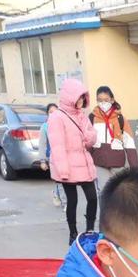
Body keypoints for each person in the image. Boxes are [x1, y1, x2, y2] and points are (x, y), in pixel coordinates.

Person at [47, 78, 98, 245]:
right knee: (72, 200)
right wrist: (63, 170)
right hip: (68, 164)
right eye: (79, 97)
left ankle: (90, 229)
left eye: (84, 97)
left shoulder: (82, 116)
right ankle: (73, 232)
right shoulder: (57, 117)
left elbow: (90, 138)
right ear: (70, 97)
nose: (82, 100)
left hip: (83, 162)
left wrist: (89, 137)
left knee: (92, 197)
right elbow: (57, 146)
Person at [90, 85, 138, 184]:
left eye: (106, 100)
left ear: (112, 100)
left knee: (119, 190)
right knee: (103, 192)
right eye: (99, 100)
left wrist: (135, 169)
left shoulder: (120, 118)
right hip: (99, 163)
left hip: (117, 163)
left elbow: (129, 143)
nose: (103, 103)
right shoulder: (92, 118)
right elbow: (88, 142)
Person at [37, 102, 64, 208]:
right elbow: (42, 144)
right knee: (59, 179)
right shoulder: (44, 127)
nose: (53, 114)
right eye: (50, 112)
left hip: (64, 156)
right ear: (47, 114)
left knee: (63, 178)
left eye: (56, 111)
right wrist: (42, 161)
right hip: (52, 157)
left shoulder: (63, 124)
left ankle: (58, 194)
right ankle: (61, 198)